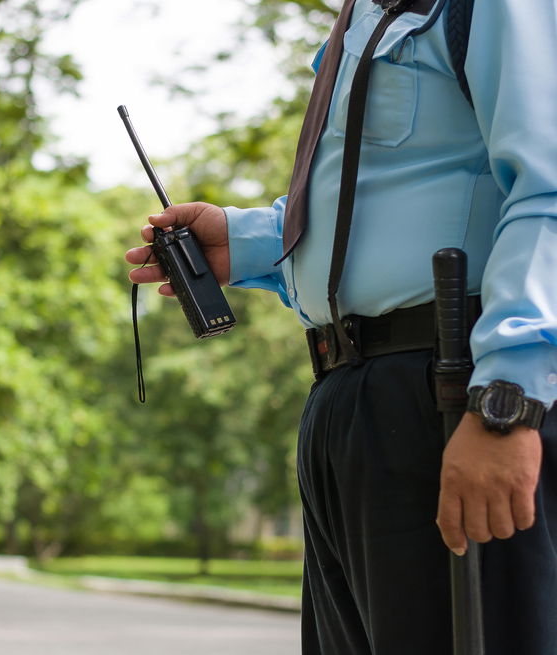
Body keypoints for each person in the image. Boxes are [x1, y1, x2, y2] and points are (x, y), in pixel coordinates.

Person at [126, 1, 556, 653]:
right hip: (348, 402)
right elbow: (379, 195)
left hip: (454, 394)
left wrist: (506, 404)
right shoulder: (360, 14)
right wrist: (245, 242)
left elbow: (546, 192)